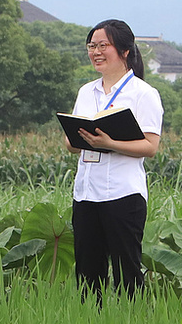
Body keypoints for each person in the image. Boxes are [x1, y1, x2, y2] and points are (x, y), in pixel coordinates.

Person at [68, 19, 163, 298]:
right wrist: (73, 138)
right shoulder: (87, 91)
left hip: (123, 194)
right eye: (91, 46)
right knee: (87, 273)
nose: (96, 52)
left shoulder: (143, 94)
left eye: (103, 45)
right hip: (86, 193)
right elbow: (74, 144)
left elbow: (150, 146)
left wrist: (110, 143)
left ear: (124, 51)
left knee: (126, 271)